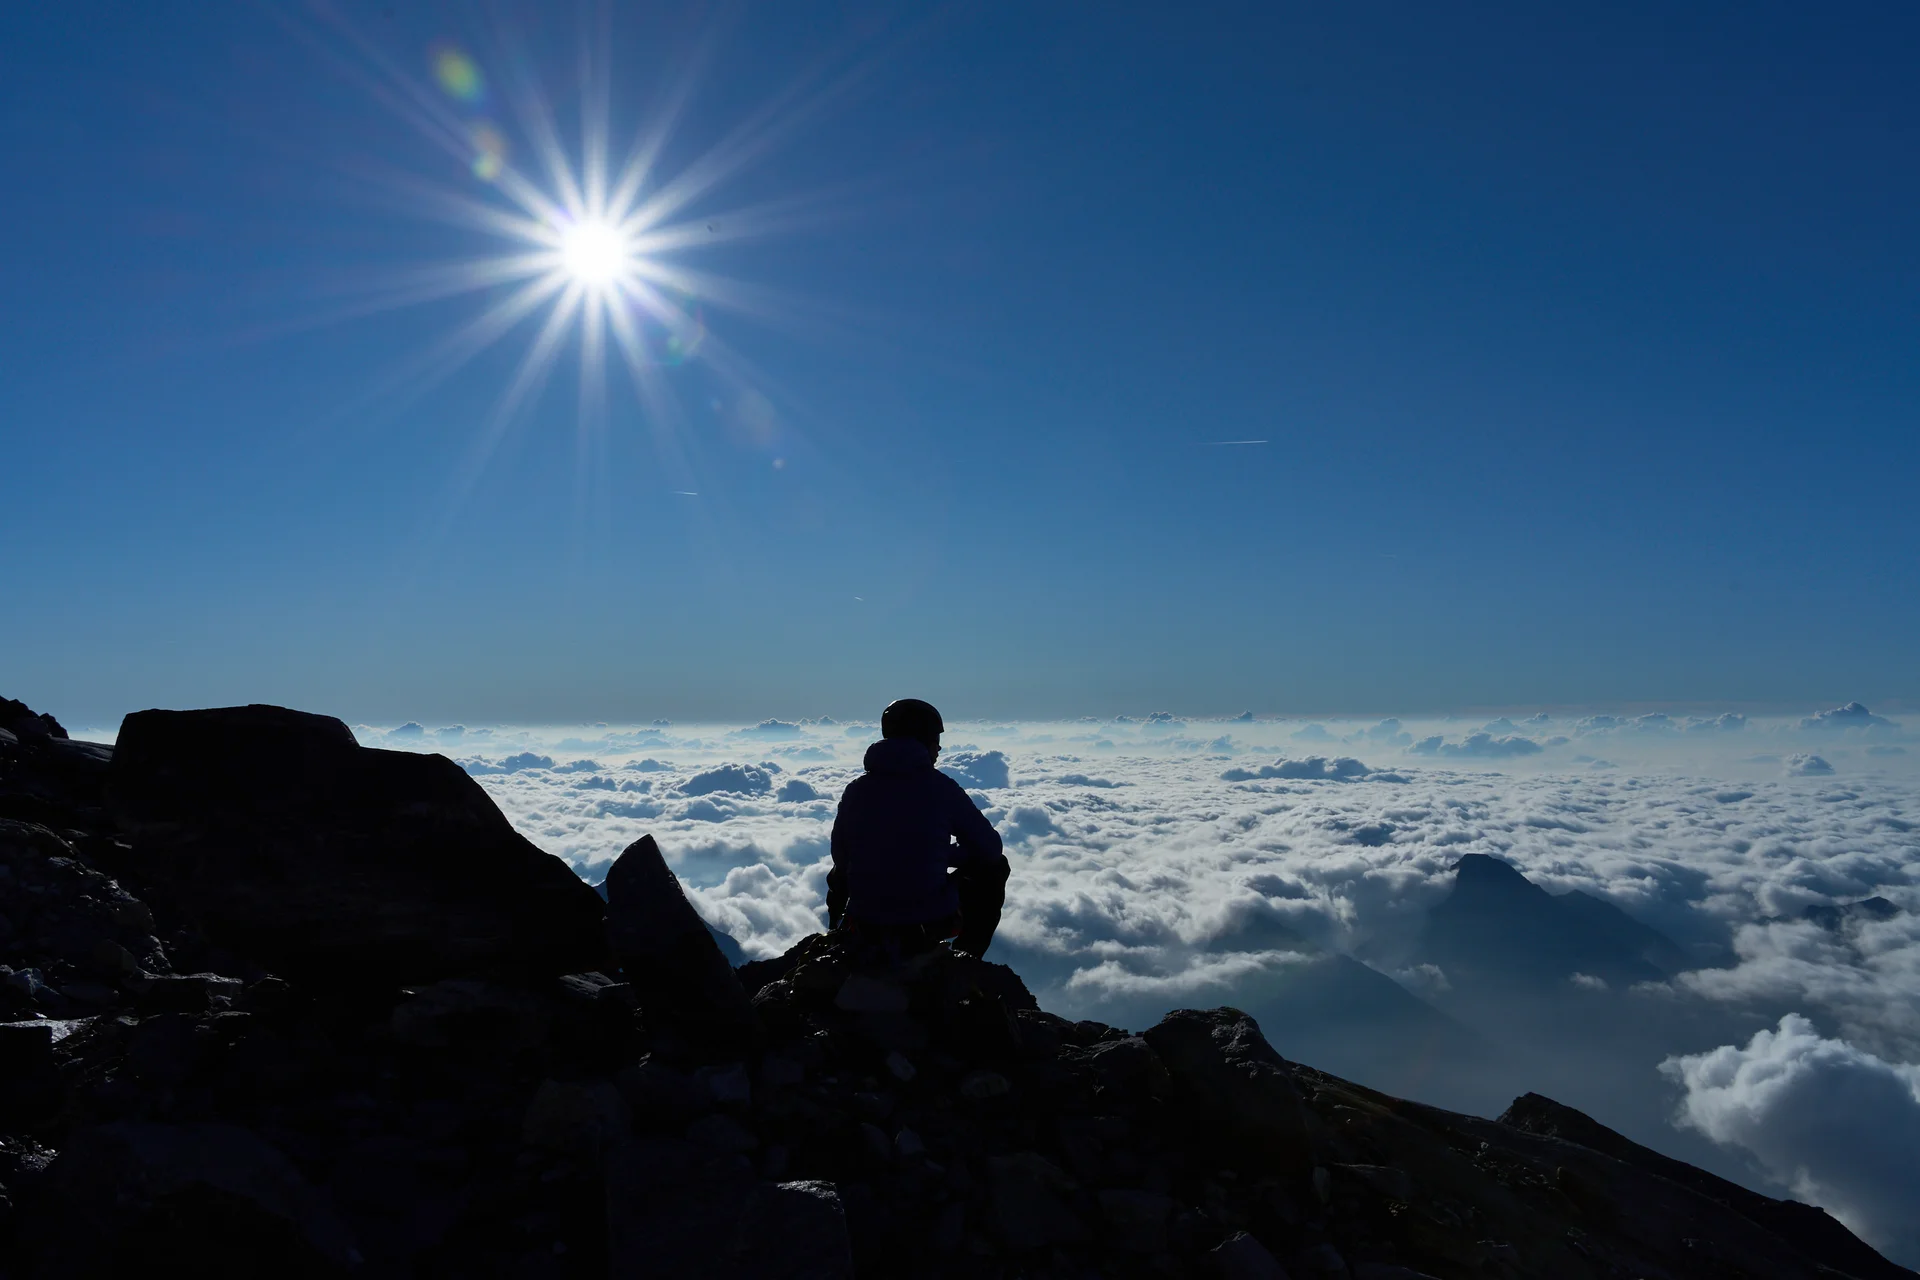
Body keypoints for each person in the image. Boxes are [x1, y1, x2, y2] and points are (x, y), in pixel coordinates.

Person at [827, 698, 1010, 957]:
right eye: (936, 739)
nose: (939, 748)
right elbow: (990, 848)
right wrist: (936, 854)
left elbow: (841, 856)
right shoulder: (941, 787)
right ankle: (967, 960)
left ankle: (838, 934)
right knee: (995, 868)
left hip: (866, 921)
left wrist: (926, 853)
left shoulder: (856, 790)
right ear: (924, 740)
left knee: (838, 875)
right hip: (927, 922)